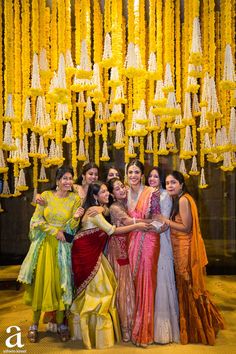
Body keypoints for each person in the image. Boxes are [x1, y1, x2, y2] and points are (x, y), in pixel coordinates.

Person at [69, 181, 150, 349]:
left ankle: (90, 331)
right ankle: (95, 335)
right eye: (104, 192)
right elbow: (112, 231)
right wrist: (138, 226)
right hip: (85, 254)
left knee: (99, 290)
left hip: (92, 253)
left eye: (107, 191)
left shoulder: (99, 209)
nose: (108, 194)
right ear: (95, 196)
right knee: (100, 292)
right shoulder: (94, 213)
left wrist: (104, 208)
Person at [157, 171, 225, 345]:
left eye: (173, 182)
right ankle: (198, 324)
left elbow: (186, 227)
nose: (170, 186)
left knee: (187, 285)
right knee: (186, 285)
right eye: (167, 183)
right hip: (180, 247)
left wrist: (164, 219)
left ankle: (197, 329)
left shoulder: (183, 200)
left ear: (181, 184)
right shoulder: (180, 199)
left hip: (184, 249)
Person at [17, 167, 83, 343]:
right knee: (41, 284)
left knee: (61, 284)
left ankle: (61, 324)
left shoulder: (75, 199)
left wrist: (76, 217)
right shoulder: (45, 196)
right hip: (45, 246)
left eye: (71, 178)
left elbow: (73, 227)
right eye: (65, 178)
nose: (68, 182)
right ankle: (34, 324)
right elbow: (36, 220)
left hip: (63, 249)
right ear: (57, 180)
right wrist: (54, 231)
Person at [126, 159, 167, 347]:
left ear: (142, 175)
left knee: (147, 282)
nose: (133, 176)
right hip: (130, 240)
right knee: (133, 283)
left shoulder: (152, 193)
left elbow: (158, 218)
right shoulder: (124, 194)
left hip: (149, 240)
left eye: (136, 172)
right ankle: (133, 326)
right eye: (130, 172)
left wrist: (153, 228)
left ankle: (145, 331)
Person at [146, 166, 180, 344]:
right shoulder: (146, 194)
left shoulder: (166, 195)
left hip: (162, 240)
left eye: (156, 176)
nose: (152, 179)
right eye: (150, 176)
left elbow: (164, 221)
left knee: (162, 280)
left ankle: (163, 330)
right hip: (148, 241)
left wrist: (147, 229)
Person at [106, 177, 136, 342]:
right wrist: (147, 221)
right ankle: (125, 327)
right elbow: (128, 222)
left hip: (129, 246)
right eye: (117, 189)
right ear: (112, 194)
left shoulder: (127, 203)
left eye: (122, 187)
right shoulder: (115, 207)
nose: (122, 190)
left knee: (129, 285)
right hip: (119, 249)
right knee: (124, 288)